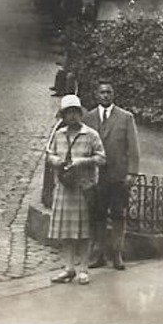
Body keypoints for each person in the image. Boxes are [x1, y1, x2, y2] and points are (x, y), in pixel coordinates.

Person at [44, 94, 105, 285]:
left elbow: (102, 158)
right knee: (66, 231)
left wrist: (83, 161)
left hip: (83, 189)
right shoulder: (59, 135)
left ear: (80, 114)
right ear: (63, 115)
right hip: (64, 188)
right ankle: (68, 268)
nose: (72, 116)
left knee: (83, 232)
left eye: (75, 112)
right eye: (68, 113)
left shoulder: (91, 135)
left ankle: (84, 269)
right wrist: (55, 161)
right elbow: (49, 155)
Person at [87, 80, 140, 270]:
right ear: (96, 95)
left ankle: (117, 253)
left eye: (109, 92)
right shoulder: (89, 117)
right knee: (98, 215)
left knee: (118, 215)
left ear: (113, 94)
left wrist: (132, 172)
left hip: (118, 176)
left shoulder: (126, 118)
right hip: (97, 177)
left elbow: (133, 148)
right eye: (102, 92)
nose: (105, 95)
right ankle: (99, 254)